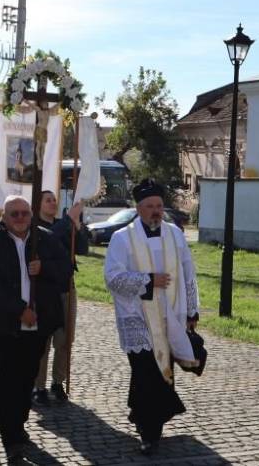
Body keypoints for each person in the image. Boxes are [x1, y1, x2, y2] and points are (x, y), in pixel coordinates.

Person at [103, 178, 200, 457]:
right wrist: (148, 280)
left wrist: (192, 310)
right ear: (139, 208)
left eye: (159, 205)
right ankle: (149, 432)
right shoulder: (123, 237)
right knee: (147, 372)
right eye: (150, 206)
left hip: (172, 315)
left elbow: (188, 271)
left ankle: (143, 416)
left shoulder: (175, 234)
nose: (156, 210)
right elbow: (112, 277)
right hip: (139, 318)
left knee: (159, 372)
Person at [0, 195, 69, 465]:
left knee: (27, 378)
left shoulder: (46, 239)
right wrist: (19, 309)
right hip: (6, 325)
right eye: (14, 214)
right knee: (8, 381)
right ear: (4, 217)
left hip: (39, 325)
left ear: (31, 214)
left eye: (24, 213)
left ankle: (18, 425)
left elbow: (65, 271)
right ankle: (11, 440)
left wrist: (44, 268)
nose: (20, 218)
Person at [32, 190, 89, 406]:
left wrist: (77, 226)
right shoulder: (34, 226)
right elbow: (48, 236)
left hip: (66, 288)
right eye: (48, 200)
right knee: (43, 341)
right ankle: (39, 387)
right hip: (45, 291)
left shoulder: (63, 224)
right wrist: (68, 220)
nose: (53, 203)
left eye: (55, 200)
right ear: (38, 204)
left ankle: (58, 382)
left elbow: (82, 249)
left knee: (65, 339)